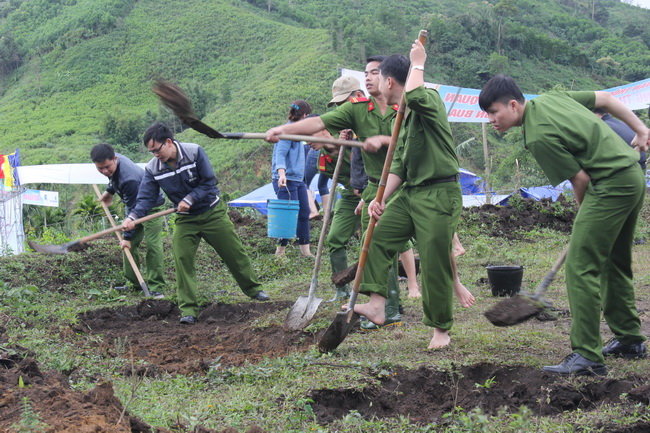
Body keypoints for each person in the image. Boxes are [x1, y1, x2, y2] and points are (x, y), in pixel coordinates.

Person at [478, 74, 649, 375]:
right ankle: (629, 339)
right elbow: (607, 99)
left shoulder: (538, 136)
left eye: (494, 112)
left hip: (610, 185)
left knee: (581, 267)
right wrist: (640, 129)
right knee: (614, 261)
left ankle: (587, 356)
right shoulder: (552, 96)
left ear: (514, 105)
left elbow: (580, 180)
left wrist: (585, 219)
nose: (491, 119)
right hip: (632, 176)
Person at [265, 58, 406, 328]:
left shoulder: (403, 109)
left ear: (388, 79)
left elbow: (410, 147)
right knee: (355, 242)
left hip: (400, 187)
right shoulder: (354, 114)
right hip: (366, 192)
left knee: (385, 246)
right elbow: (317, 124)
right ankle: (361, 299)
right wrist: (283, 130)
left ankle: (391, 305)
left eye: (374, 73)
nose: (369, 78)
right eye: (366, 73)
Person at [356, 45, 463, 350]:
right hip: (410, 193)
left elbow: (414, 94)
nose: (375, 83)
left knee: (433, 261)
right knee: (377, 234)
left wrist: (418, 63)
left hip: (439, 193)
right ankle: (377, 304)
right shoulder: (401, 119)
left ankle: (441, 329)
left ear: (390, 82)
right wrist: (382, 198)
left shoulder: (427, 99)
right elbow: (400, 164)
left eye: (379, 77)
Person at [123, 122, 269, 325]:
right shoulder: (152, 168)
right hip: (186, 220)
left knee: (234, 252)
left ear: (168, 142)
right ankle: (188, 309)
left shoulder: (194, 152)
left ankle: (254, 290)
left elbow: (209, 182)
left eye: (157, 150)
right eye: (151, 151)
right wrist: (132, 217)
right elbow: (145, 198)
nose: (155, 154)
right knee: (182, 258)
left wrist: (189, 199)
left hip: (212, 213)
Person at [91, 143, 166, 298]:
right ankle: (134, 283)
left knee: (153, 245)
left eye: (107, 167)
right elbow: (113, 178)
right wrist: (109, 192)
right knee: (128, 247)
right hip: (134, 208)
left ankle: (156, 286)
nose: (104, 171)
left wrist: (127, 237)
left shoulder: (129, 179)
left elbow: (131, 208)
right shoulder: (113, 159)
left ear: (114, 159)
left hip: (152, 207)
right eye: (100, 168)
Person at [271, 100, 314, 257]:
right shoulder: (287, 131)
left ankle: (306, 252)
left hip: (298, 180)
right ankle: (279, 252)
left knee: (304, 213)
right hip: (285, 180)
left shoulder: (299, 131)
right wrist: (281, 174)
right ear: (305, 115)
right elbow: (280, 155)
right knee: (287, 215)